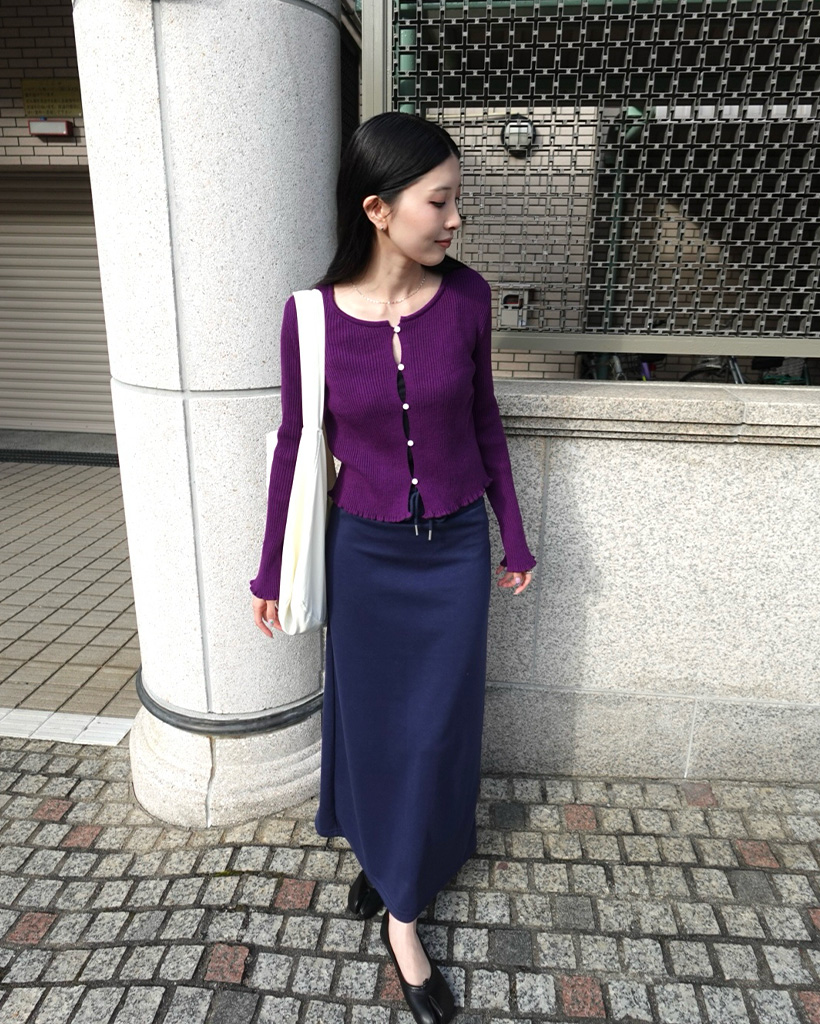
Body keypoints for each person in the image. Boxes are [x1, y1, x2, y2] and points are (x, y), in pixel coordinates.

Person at [251, 112, 534, 1024]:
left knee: (435, 731)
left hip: (453, 554)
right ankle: (387, 869)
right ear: (378, 209)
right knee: (371, 726)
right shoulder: (311, 318)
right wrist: (269, 571)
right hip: (363, 554)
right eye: (438, 202)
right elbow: (295, 448)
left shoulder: (468, 298)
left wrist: (513, 535)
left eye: (457, 201)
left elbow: (485, 421)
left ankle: (402, 905)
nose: (455, 219)